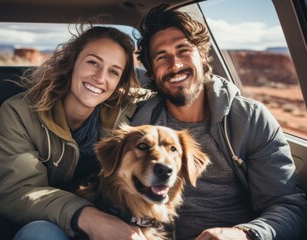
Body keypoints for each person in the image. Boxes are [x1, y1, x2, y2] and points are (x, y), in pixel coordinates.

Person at [131, 4, 307, 240]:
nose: (175, 65)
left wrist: (244, 234)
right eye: (162, 57)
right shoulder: (138, 123)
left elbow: (290, 207)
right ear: (151, 72)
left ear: (202, 56)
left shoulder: (251, 119)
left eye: (183, 51)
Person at [0, 24, 150, 240]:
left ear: (119, 83)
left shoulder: (123, 111)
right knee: (41, 233)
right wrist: (90, 217)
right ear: (72, 63)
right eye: (93, 62)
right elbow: (17, 191)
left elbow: (165, 93)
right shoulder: (19, 112)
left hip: (70, 214)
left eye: (113, 71)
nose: (100, 77)